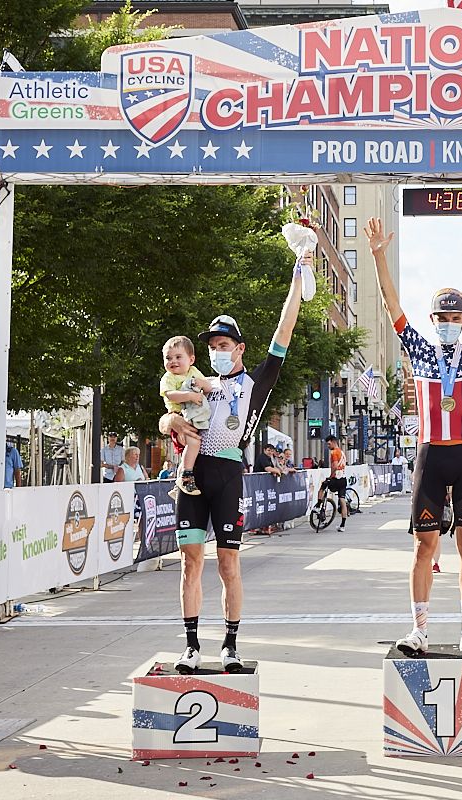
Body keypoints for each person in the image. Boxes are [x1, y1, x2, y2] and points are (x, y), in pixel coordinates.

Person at [366, 215, 462, 657]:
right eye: (443, 317)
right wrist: (379, 254)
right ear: (433, 319)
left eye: (456, 317)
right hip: (431, 457)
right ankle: (418, 630)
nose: (449, 323)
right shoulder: (419, 347)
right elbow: (389, 303)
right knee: (424, 547)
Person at [160, 263, 304, 675]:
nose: (217, 352)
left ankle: (230, 644)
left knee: (227, 564)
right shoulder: (194, 379)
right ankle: (190, 646)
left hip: (227, 476)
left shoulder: (254, 383)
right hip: (191, 476)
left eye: (225, 345)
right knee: (190, 562)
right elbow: (166, 412)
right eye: (212, 347)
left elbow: (284, 331)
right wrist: (167, 422)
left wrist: (296, 279)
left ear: (240, 349)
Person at [159, 335, 215, 496]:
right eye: (168, 358)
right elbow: (170, 395)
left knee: (192, 447)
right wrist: (190, 396)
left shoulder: (193, 372)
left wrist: (201, 384)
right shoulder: (168, 377)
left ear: (191, 359)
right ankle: (186, 476)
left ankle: (179, 484)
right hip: (179, 415)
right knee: (193, 443)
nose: (173, 361)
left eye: (178, 357)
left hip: (194, 415)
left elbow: (208, 386)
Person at [320, 435, 348, 532]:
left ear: (333, 442)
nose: (328, 446)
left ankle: (318, 506)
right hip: (343, 479)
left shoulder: (334, 452)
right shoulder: (342, 452)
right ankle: (343, 525)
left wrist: (330, 476)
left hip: (336, 478)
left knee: (323, 486)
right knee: (342, 500)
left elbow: (335, 466)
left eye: (328, 444)